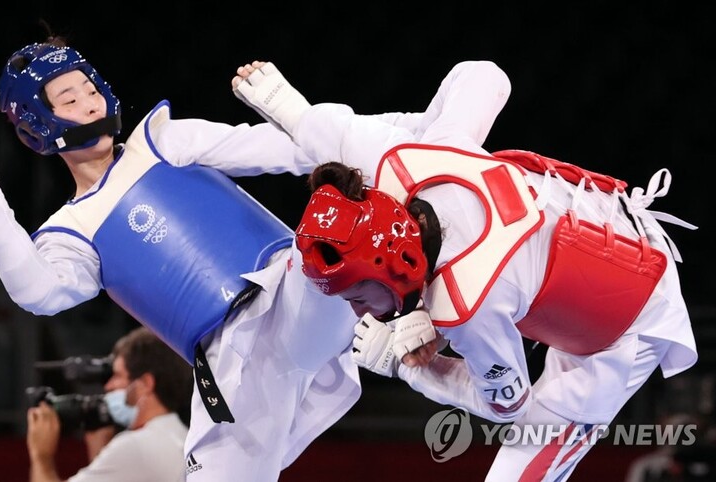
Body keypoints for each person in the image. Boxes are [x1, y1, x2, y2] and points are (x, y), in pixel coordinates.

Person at [0, 35, 434, 481]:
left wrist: (415, 132)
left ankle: (431, 301)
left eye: (89, 89)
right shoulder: (71, 233)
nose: (89, 103)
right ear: (41, 126)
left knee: (341, 224)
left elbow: (284, 149)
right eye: (69, 99)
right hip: (231, 370)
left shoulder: (162, 141)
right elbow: (38, 292)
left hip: (292, 288)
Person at [231, 60, 699, 480]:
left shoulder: (466, 303)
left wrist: (412, 367)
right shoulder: (405, 160)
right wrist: (289, 106)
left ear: (396, 270)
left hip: (626, 320)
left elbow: (509, 406)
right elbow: (487, 74)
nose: (354, 311)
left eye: (355, 296)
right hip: (602, 226)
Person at [27, 326, 192, 481]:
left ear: (145, 384)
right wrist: (100, 449)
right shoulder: (183, 437)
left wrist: (41, 456)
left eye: (117, 375)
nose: (108, 386)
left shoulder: (135, 446)